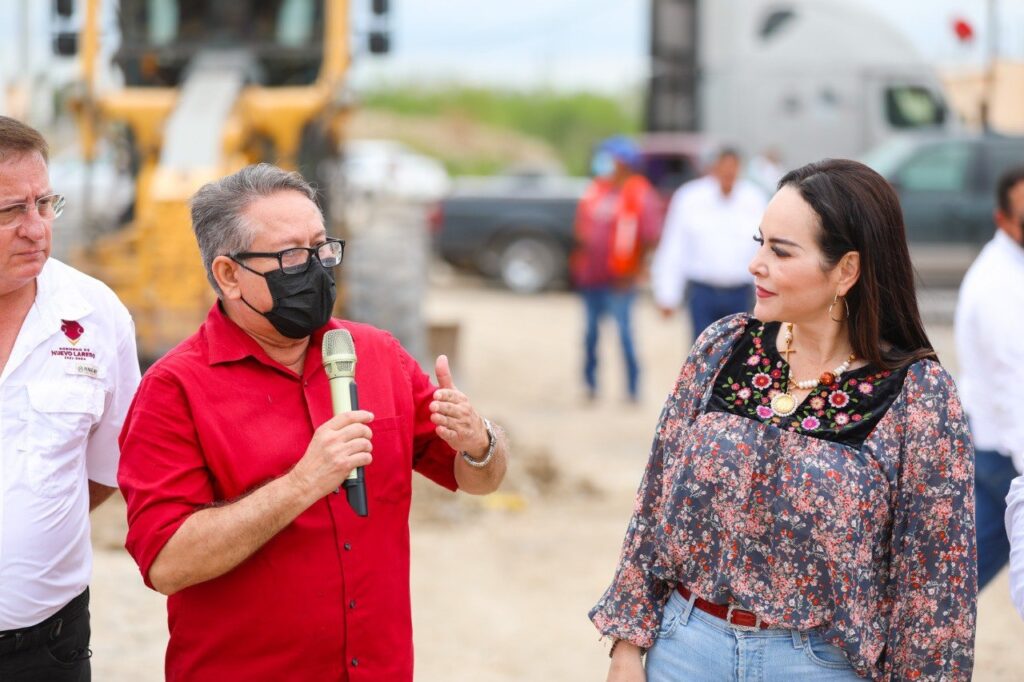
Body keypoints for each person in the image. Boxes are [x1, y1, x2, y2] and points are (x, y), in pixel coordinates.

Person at [117, 163, 509, 681]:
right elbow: (167, 564)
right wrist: (302, 483)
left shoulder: (378, 354)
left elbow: (479, 480)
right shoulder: (173, 391)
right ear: (228, 275)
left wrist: (480, 442)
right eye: (291, 255)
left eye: (322, 248)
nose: (317, 268)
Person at [592, 159, 976, 681]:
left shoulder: (917, 396)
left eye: (780, 250)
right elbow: (653, 502)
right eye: (759, 242)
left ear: (846, 270)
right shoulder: (722, 347)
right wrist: (626, 647)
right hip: (683, 649)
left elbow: (935, 587)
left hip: (818, 666)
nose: (755, 264)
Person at [0, 116, 141, 680]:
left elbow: (109, 467)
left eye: (45, 204)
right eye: (10, 211)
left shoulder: (95, 312)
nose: (36, 229)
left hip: (49, 646)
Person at [958, 166, 1024, 592]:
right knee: (959, 579)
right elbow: (1014, 384)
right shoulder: (1001, 284)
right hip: (1006, 452)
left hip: (995, 447)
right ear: (1002, 219)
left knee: (960, 574)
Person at [571, 136, 662, 402]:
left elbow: (649, 237)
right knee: (589, 335)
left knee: (624, 335)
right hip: (591, 278)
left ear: (624, 163)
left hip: (620, 280)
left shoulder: (640, 193)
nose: (604, 163)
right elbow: (582, 227)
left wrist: (634, 270)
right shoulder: (596, 190)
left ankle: (632, 389)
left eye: (609, 158)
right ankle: (590, 385)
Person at [651, 147, 767, 340]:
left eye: (733, 167)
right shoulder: (690, 197)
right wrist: (667, 293)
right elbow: (674, 246)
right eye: (724, 166)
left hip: (739, 291)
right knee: (702, 352)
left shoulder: (754, 199)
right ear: (714, 167)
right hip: (702, 291)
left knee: (738, 353)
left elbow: (762, 247)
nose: (728, 173)